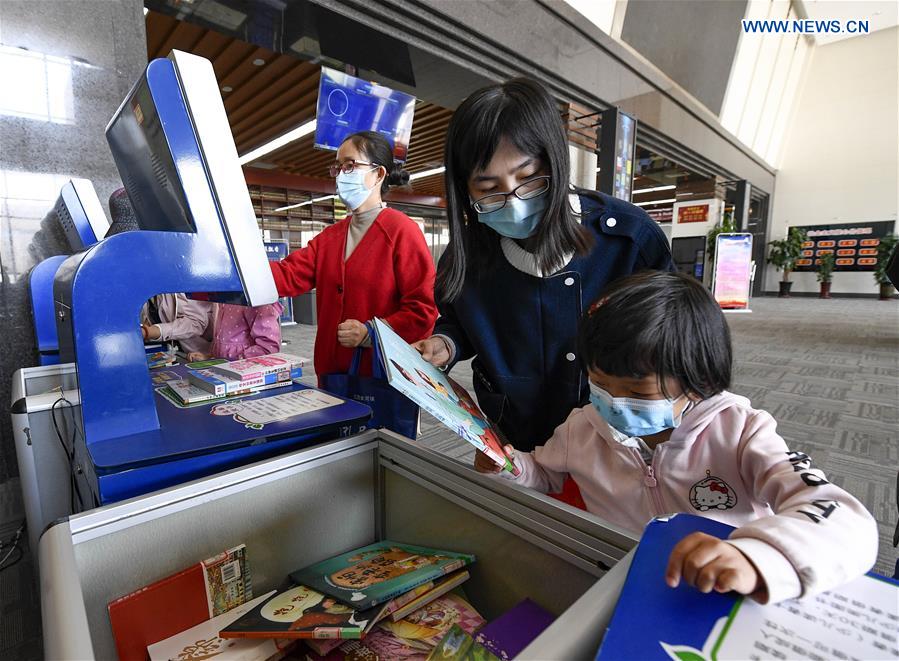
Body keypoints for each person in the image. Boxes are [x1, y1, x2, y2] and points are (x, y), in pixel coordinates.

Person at [476, 271, 877, 604]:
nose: (613, 402)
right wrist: (507, 466)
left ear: (698, 380)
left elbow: (843, 520)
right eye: (599, 384)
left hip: (723, 588)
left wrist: (757, 556)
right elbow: (543, 475)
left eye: (638, 392)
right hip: (623, 579)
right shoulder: (582, 427)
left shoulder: (741, 431)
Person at [414, 78, 674, 454]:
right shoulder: (466, 257)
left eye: (529, 178)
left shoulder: (630, 243)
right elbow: (461, 321)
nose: (514, 200)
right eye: (488, 189)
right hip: (514, 439)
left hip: (612, 449)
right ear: (464, 190)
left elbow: (674, 347)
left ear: (554, 160)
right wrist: (447, 343)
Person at [269, 131, 438, 380]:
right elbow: (287, 275)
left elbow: (422, 309)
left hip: (381, 375)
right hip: (332, 375)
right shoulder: (330, 237)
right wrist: (224, 272)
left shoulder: (401, 231)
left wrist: (371, 333)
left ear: (378, 174)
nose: (341, 175)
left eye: (349, 165)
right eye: (337, 168)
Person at [104, 188, 213, 355]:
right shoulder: (142, 269)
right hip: (174, 355)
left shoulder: (188, 267)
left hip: (203, 356)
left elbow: (196, 323)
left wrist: (149, 332)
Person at [187, 301, 283, 362]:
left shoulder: (256, 302)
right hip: (225, 369)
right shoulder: (224, 299)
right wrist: (210, 357)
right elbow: (224, 340)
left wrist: (237, 360)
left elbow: (269, 347)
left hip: (247, 372)